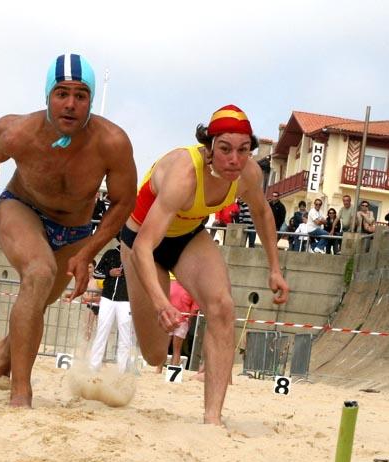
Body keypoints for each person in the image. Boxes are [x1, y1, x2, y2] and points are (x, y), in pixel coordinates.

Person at [0, 53, 137, 407]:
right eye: (62, 93)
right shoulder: (16, 131)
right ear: (48, 96)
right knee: (38, 273)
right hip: (21, 208)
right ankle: (20, 394)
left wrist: (88, 251)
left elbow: (123, 202)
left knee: (37, 301)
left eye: (80, 95)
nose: (70, 104)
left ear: (90, 101)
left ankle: (4, 357)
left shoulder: (112, 142)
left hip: (74, 230)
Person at [120, 104, 289, 425]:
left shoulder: (248, 174)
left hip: (187, 236)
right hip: (141, 242)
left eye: (243, 150)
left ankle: (213, 419)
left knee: (223, 307)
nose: (234, 159)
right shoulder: (184, 174)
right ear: (209, 147)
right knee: (155, 353)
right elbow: (143, 246)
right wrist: (161, 303)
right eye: (225, 149)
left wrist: (275, 269)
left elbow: (262, 213)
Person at [90, 237, 131, 373]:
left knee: (125, 335)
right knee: (102, 332)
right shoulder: (110, 253)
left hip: (126, 301)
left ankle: (121, 370)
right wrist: (109, 273)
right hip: (107, 299)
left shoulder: (135, 256)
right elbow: (96, 273)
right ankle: (93, 367)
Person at [166, 279, 199, 369]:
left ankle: (172, 370)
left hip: (182, 321)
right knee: (165, 346)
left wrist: (188, 318)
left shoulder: (192, 288)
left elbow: (195, 307)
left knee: (176, 349)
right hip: (169, 319)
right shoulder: (171, 284)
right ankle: (159, 369)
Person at [82, 260, 101, 341]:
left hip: (100, 307)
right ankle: (85, 346)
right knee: (87, 329)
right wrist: (90, 298)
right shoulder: (84, 281)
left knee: (100, 329)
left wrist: (91, 298)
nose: (88, 269)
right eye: (86, 267)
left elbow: (103, 297)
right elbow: (84, 296)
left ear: (94, 268)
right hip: (90, 306)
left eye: (90, 267)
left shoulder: (98, 281)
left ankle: (98, 346)